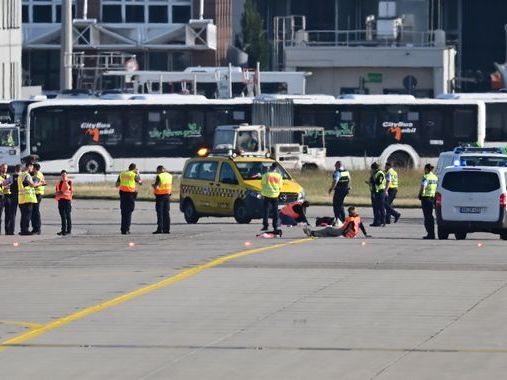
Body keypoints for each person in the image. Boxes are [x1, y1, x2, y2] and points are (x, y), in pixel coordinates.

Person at [303, 206, 370, 238]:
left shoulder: (352, 220)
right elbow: (361, 226)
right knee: (327, 234)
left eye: (350, 212)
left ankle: (311, 232)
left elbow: (348, 228)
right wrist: (365, 234)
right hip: (348, 233)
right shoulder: (358, 218)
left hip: (342, 232)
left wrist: (343, 235)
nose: (349, 214)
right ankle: (312, 233)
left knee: (328, 230)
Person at [116, 163, 142, 235]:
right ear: (134, 169)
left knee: (123, 212)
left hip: (122, 194)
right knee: (129, 212)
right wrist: (138, 173)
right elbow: (140, 182)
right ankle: (126, 229)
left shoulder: (122, 173)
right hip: (130, 195)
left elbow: (117, 184)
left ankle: (123, 229)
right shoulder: (133, 175)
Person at [18, 162, 40, 235]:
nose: (32, 169)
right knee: (27, 216)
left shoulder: (21, 175)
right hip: (28, 198)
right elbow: (32, 184)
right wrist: (40, 183)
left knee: (24, 215)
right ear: (29, 166)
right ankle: (25, 230)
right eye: (32, 167)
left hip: (22, 198)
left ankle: (23, 230)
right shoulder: (27, 175)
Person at [261, 162, 283, 235]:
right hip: (275, 195)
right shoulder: (279, 176)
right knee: (275, 212)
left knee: (266, 211)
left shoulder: (266, 175)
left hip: (267, 195)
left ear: (271, 167)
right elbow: (280, 186)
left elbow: (263, 183)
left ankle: (265, 225)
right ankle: (275, 226)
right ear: (276, 168)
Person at [418, 163, 438, 239]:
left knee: (427, 217)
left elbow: (423, 186)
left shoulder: (425, 177)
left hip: (426, 198)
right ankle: (432, 233)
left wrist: (420, 194)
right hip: (432, 198)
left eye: (424, 169)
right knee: (430, 216)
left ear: (426, 169)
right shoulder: (435, 177)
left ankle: (430, 234)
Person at [152, 165, 172, 234]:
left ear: (159, 170)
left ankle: (160, 229)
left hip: (160, 197)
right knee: (166, 213)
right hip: (167, 196)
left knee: (160, 213)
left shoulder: (159, 176)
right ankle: (167, 229)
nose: (157, 172)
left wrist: (153, 186)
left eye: (157, 170)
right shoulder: (169, 176)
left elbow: (157, 187)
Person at [4, 164, 21, 235]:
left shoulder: (12, 177)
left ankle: (11, 231)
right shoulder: (23, 176)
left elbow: (4, 183)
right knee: (24, 214)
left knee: (12, 214)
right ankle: (24, 229)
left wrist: (9, 186)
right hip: (22, 196)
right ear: (21, 169)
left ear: (15, 169)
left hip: (13, 196)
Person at [55, 170, 73, 236]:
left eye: (65, 175)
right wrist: (57, 196)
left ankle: (68, 230)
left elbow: (68, 188)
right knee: (62, 216)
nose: (63, 176)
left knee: (68, 216)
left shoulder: (69, 182)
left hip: (67, 200)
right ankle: (63, 230)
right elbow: (57, 191)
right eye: (62, 175)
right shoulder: (58, 183)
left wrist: (65, 180)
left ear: (67, 175)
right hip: (61, 200)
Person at [30, 163, 46, 235]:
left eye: (33, 168)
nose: (32, 169)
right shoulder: (38, 174)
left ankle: (37, 229)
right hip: (36, 194)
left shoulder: (37, 175)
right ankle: (35, 229)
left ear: (35, 168)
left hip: (37, 194)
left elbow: (35, 184)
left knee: (35, 212)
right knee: (34, 212)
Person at [370, 162, 386, 227]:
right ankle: (376, 221)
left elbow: (378, 182)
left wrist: (373, 177)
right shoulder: (375, 173)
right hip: (375, 192)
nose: (371, 170)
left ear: (374, 168)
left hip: (380, 192)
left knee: (381, 207)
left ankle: (383, 221)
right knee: (375, 208)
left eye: (372, 169)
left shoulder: (380, 174)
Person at [0, 163, 7, 235]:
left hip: (8, 197)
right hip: (1, 196)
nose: (5, 169)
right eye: (3, 168)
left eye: (6, 168)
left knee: (9, 215)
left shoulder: (8, 176)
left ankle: (8, 231)